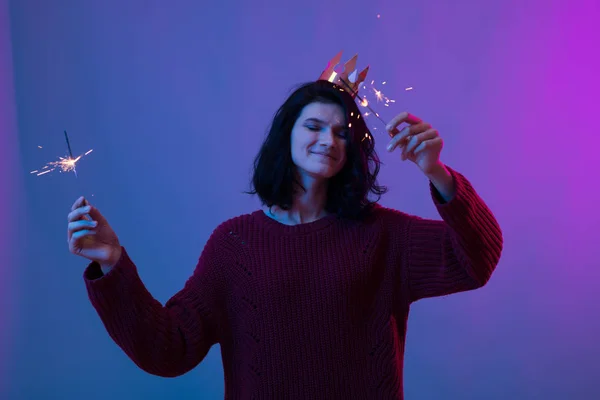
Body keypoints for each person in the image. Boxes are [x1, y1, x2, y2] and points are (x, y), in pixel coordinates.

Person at [68, 79, 503, 399]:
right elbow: (169, 349)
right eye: (314, 126)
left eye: (341, 133)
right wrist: (113, 263)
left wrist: (437, 173)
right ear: (287, 136)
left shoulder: (383, 234)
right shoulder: (234, 245)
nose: (328, 140)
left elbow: (477, 260)